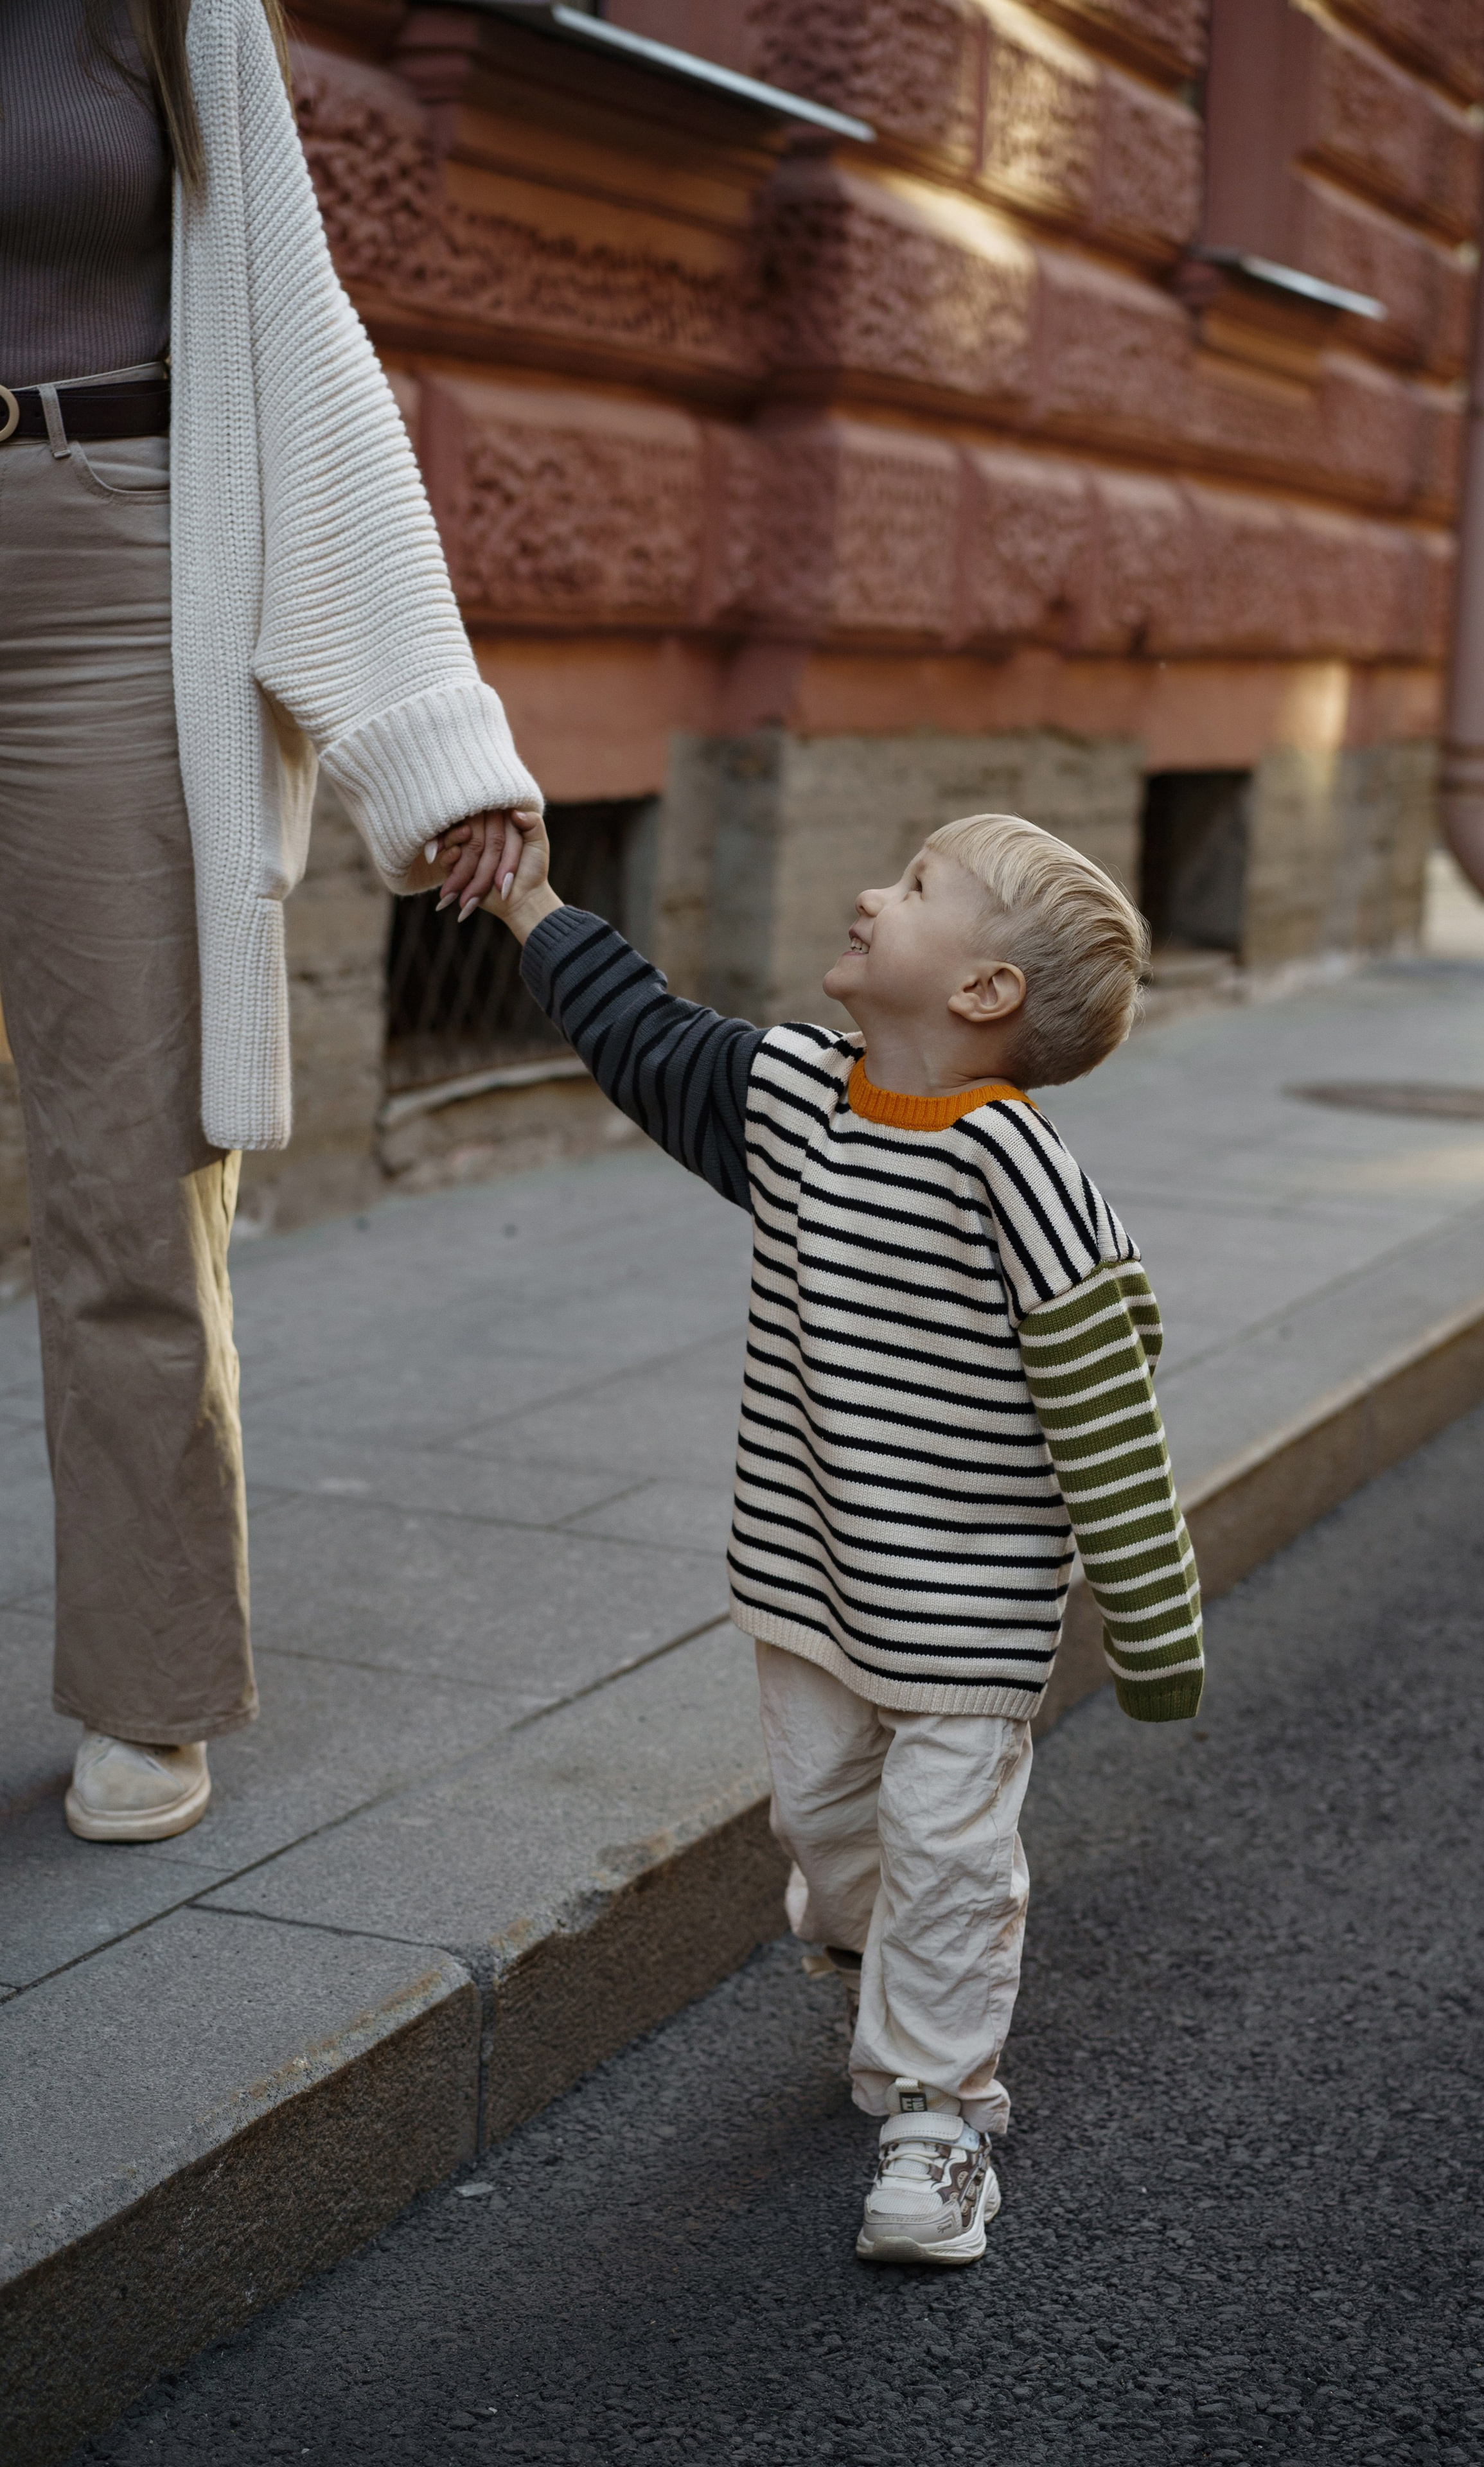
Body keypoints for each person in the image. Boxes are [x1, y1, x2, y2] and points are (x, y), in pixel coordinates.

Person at [457, 805, 1205, 2265]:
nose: (871, 892)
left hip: (967, 1612)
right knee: (821, 1826)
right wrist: (529, 902)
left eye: (916, 886)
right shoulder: (800, 1095)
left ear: (982, 993)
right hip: (810, 1578)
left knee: (943, 1850)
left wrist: (1153, 1622)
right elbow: (645, 1037)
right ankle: (887, 1940)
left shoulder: (1020, 1176)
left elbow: (1109, 1409)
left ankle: (938, 2118)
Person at [0, 0, 540, 1845]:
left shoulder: (164, 14)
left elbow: (296, 341)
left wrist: (427, 738)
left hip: (106, 568)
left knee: (124, 1174)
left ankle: (150, 1686)